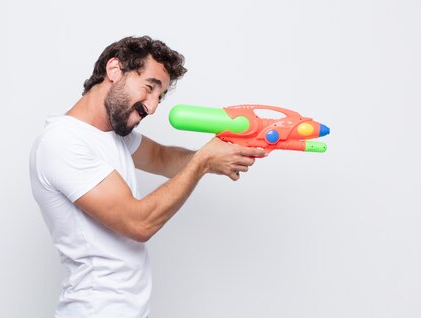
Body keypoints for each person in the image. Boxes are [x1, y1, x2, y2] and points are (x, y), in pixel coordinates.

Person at [29, 36, 266, 317]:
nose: (152, 107)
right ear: (114, 70)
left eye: (159, 97)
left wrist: (217, 154)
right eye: (149, 87)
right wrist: (202, 162)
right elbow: (138, 222)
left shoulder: (112, 135)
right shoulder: (64, 143)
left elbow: (162, 158)